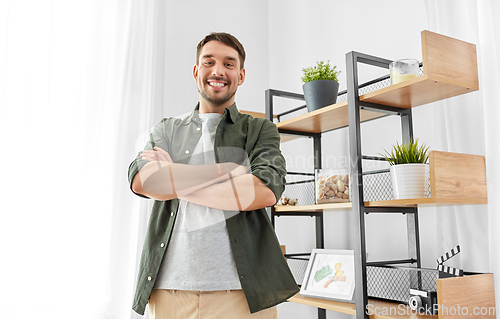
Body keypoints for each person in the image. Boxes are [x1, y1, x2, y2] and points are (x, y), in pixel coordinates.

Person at [127, 32, 299, 319]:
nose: (218, 71)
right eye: (209, 62)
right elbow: (142, 181)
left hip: (243, 295)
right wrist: (228, 172)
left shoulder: (259, 130)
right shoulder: (167, 129)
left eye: (229, 64)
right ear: (196, 71)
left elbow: (263, 191)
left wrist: (175, 178)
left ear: (241, 75)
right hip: (169, 291)